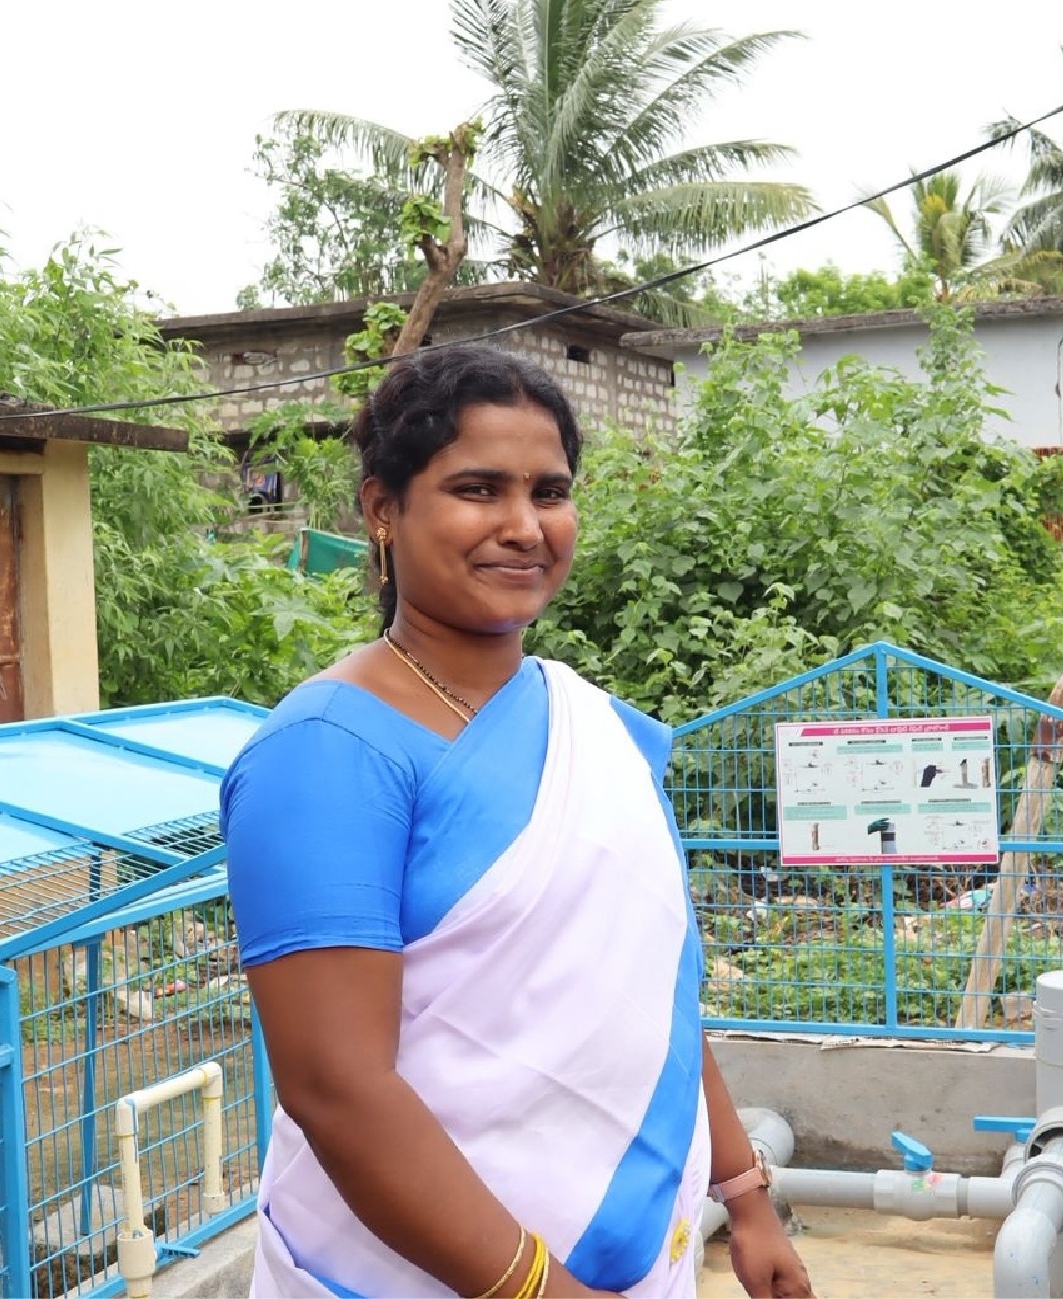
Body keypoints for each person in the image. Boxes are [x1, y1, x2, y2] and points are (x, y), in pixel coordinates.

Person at [222, 344, 813, 1299]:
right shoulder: (324, 753)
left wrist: (742, 1193)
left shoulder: (599, 729)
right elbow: (338, 1090)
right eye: (477, 488)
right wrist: (538, 1289)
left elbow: (650, 993)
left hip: (636, 1259)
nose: (523, 526)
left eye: (549, 490)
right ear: (382, 509)